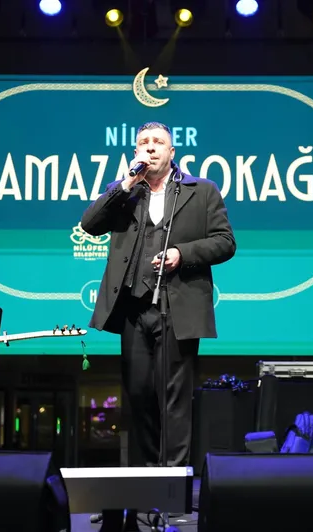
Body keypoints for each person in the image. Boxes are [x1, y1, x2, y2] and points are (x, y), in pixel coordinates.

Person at [81, 121, 236, 469]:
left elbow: (225, 242)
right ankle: (147, 476)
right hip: (133, 308)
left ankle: (174, 479)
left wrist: (182, 253)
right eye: (143, 143)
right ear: (135, 151)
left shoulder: (202, 190)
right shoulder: (123, 192)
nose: (150, 147)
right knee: (137, 393)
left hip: (178, 307)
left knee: (175, 399)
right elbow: (89, 224)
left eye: (158, 142)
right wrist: (125, 184)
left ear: (171, 152)